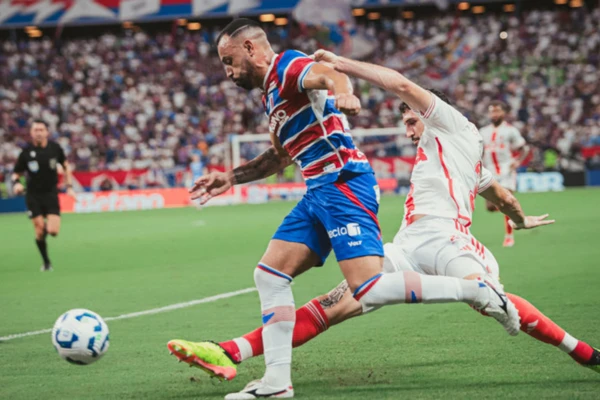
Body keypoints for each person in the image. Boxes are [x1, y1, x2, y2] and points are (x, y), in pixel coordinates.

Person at [167, 61, 600, 387]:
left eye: (412, 120)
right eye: (405, 122)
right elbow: (502, 196)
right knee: (334, 303)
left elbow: (401, 84)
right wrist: (520, 220)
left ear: (429, 112)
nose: (408, 130)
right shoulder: (456, 158)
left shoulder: (454, 126)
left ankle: (583, 352)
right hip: (407, 245)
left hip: (450, 241)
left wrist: (342, 65)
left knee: (491, 299)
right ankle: (233, 350)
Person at [11, 120, 76, 271]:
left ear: (47, 132)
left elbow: (66, 166)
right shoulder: (26, 153)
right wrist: (17, 183)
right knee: (39, 228)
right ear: (31, 133)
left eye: (41, 130)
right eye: (36, 130)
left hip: (51, 194)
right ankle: (46, 262)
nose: (39, 133)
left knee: (53, 231)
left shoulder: (55, 149)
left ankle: (41, 234)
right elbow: (16, 173)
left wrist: (69, 187)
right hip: (33, 195)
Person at [480, 101, 530, 247]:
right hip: (490, 171)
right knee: (490, 207)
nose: (494, 114)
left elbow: (524, 148)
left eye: (497, 111)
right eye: (492, 111)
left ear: (503, 113)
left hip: (506, 170)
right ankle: (514, 211)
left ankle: (509, 236)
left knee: (506, 202)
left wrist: (518, 161)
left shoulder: (510, 130)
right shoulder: (483, 131)